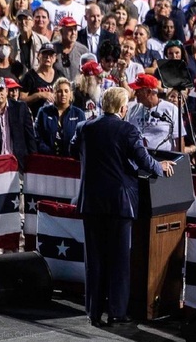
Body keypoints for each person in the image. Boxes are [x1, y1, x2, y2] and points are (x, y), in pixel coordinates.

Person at [72, 86, 175, 327]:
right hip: (119, 203)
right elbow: (144, 160)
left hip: (91, 203)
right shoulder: (128, 130)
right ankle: (117, 312)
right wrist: (161, 167)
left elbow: (72, 151)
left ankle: (93, 312)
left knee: (94, 260)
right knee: (119, 260)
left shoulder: (84, 127)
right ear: (122, 108)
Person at [126, 74, 188, 153]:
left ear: (148, 92)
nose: (135, 94)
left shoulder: (171, 109)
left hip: (163, 157)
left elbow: (179, 139)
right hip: (139, 157)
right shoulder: (133, 110)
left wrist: (179, 159)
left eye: (138, 91)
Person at [34, 78, 85, 157]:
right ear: (54, 93)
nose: (63, 94)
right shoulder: (43, 112)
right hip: (47, 158)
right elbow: (37, 137)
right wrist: (48, 152)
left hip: (71, 159)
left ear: (71, 94)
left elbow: (83, 139)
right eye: (59, 91)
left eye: (66, 91)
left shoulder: (79, 113)